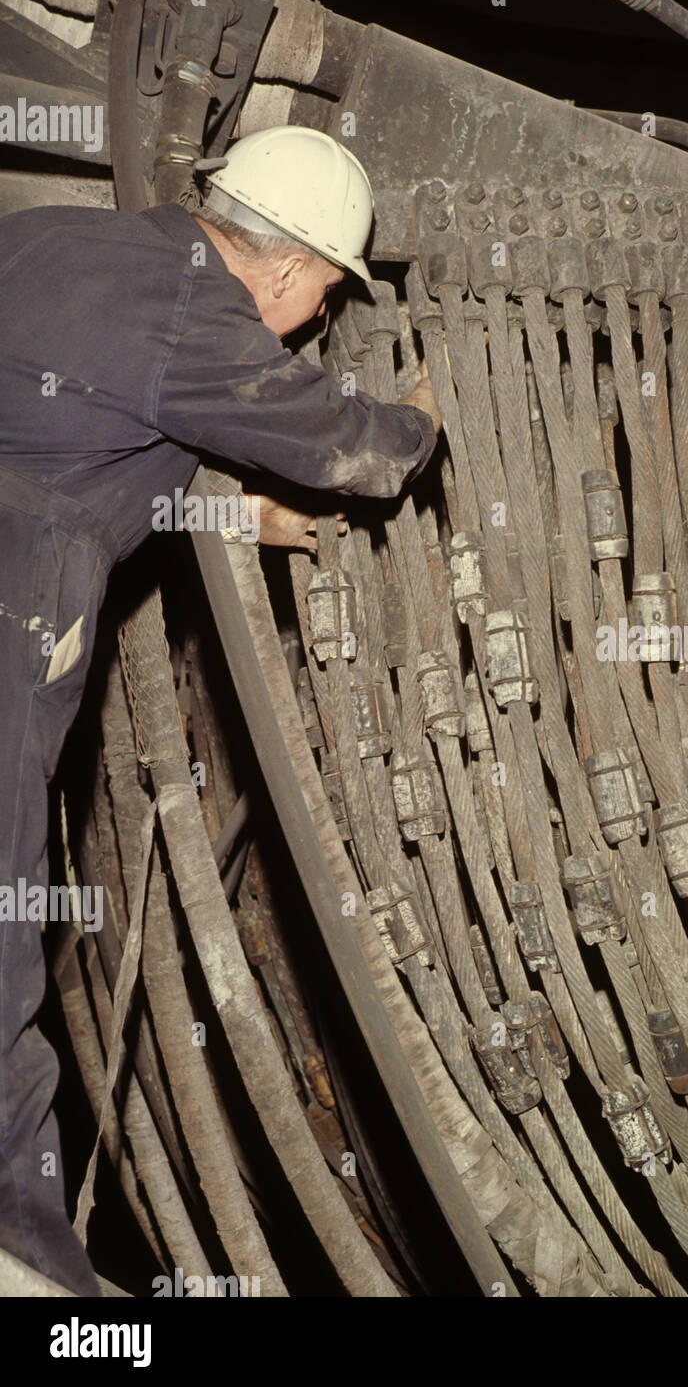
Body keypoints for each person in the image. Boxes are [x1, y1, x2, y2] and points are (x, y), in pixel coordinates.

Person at [0, 125, 441, 1294]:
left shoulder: (52, 241)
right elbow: (349, 444)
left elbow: (87, 437)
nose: (306, 321)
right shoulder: (200, 315)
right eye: (321, 299)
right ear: (293, 272)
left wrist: (235, 518)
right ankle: (34, 1275)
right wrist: (424, 420)